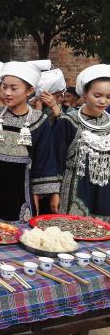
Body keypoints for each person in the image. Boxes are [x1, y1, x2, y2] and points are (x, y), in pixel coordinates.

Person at [0, 61, 61, 224]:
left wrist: (46, 195)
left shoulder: (39, 121)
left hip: (18, 194)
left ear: (30, 91)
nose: (7, 92)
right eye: (4, 87)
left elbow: (43, 159)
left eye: (14, 88)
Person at [55, 64, 110, 220]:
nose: (103, 101)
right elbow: (56, 159)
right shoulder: (68, 121)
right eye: (97, 95)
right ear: (85, 94)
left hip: (105, 190)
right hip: (75, 189)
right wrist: (54, 193)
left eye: (108, 96)